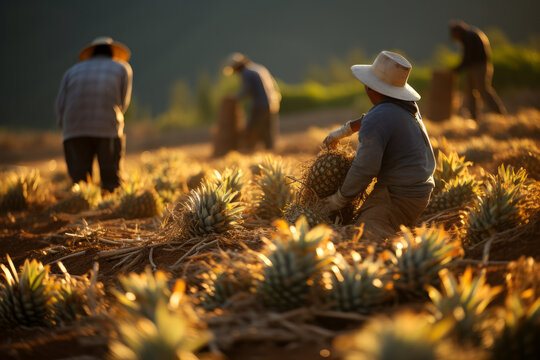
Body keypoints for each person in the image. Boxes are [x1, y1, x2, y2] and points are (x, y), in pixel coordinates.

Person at [321, 51, 436, 239]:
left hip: (398, 196)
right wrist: (345, 131)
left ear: (369, 88)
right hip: (420, 192)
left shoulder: (379, 118)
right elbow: (379, 118)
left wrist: (339, 199)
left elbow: (365, 168)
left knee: (362, 237)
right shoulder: (406, 107)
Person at [56, 37, 133, 192]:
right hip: (107, 128)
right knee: (111, 180)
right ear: (112, 53)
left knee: (81, 183)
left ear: (91, 54)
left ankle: (81, 210)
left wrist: (67, 129)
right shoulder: (122, 68)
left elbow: (60, 105)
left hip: (73, 129)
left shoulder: (72, 71)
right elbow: (123, 104)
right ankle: (109, 207)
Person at [449, 20, 507, 120]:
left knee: (483, 90)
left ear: (457, 32)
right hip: (473, 68)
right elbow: (468, 58)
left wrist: (456, 70)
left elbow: (468, 57)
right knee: (469, 91)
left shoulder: (469, 37)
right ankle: (474, 117)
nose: (454, 38)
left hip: (479, 67)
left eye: (454, 35)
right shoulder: (468, 36)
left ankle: (499, 113)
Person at [223, 53, 281, 151]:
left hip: (261, 105)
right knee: (267, 130)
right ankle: (271, 151)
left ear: (237, 67)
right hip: (272, 103)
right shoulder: (258, 68)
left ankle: (249, 150)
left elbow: (246, 90)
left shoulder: (247, 72)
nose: (236, 73)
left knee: (252, 128)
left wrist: (234, 98)